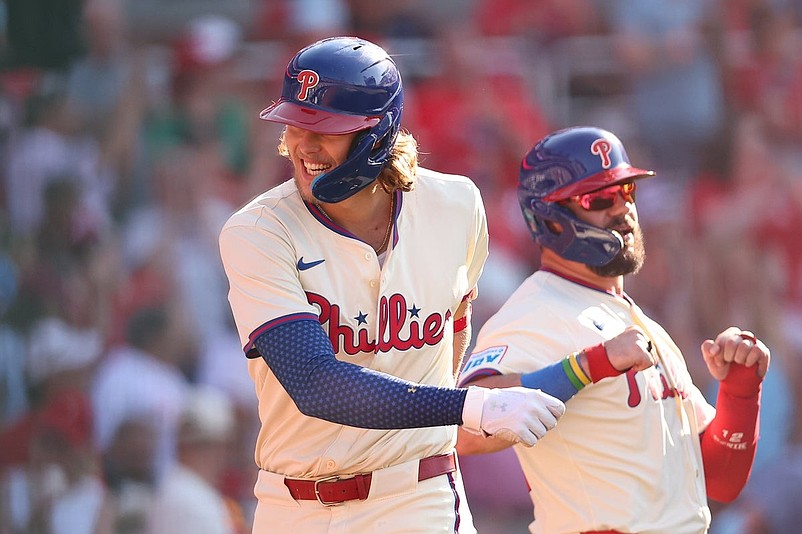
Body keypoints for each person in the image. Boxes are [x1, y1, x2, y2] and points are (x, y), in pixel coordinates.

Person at [218, 35, 565, 534]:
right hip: (293, 502)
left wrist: (442, 421)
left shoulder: (455, 205)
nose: (304, 144)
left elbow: (453, 339)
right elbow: (314, 384)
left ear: (376, 134)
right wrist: (473, 406)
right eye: (295, 123)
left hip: (414, 495)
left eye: (327, 129)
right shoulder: (258, 231)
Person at [456, 126, 771, 534]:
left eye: (627, 193)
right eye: (599, 198)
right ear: (551, 219)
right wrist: (589, 366)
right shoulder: (534, 311)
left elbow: (721, 479)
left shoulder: (642, 325)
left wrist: (740, 390)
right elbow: (465, 430)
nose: (623, 210)